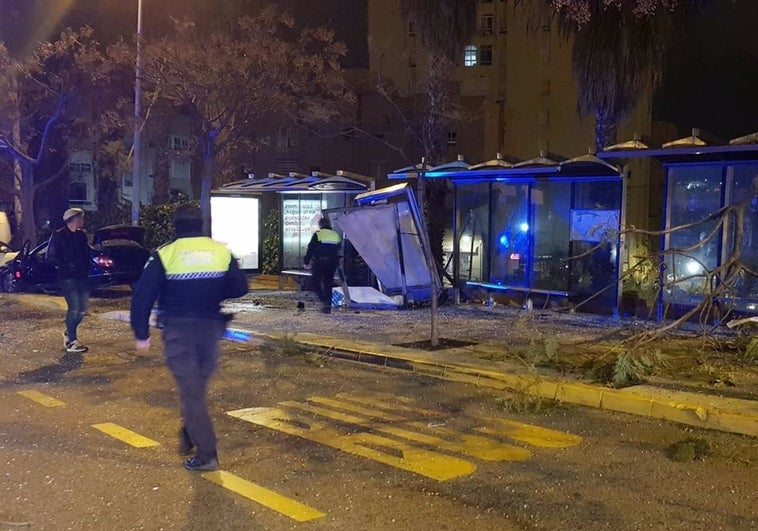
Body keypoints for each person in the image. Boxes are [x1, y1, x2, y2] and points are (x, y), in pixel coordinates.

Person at [130, 204, 248, 472]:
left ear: (176, 225)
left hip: (179, 333)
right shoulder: (220, 251)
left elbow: (142, 296)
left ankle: (207, 455)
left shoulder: (165, 254)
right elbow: (240, 287)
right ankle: (191, 428)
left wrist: (141, 334)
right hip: (211, 329)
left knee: (192, 393)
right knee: (195, 389)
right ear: (201, 224)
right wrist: (212, 293)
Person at [47, 208, 91, 354]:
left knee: (83, 310)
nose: (83, 220)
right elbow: (51, 256)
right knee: (74, 307)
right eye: (81, 217)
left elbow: (86, 253)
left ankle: (68, 332)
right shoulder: (58, 235)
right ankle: (72, 341)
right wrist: (65, 265)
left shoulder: (81, 235)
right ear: (74, 219)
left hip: (82, 276)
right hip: (67, 277)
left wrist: (86, 268)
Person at [304, 217, 341, 314]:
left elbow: (310, 248)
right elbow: (338, 248)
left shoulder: (318, 234)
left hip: (320, 262)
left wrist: (306, 261)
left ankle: (325, 300)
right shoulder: (336, 235)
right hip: (332, 263)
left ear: (320, 225)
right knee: (328, 284)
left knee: (315, 283)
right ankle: (327, 304)